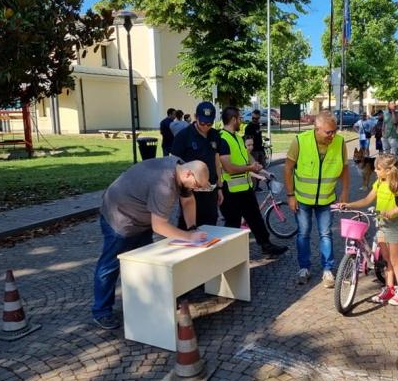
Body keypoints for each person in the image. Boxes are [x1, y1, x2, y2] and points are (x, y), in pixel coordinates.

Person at [92, 158, 210, 330]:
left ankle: (147, 303)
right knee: (110, 266)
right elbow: (159, 225)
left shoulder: (181, 168)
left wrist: (192, 228)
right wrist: (189, 237)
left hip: (141, 218)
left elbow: (188, 201)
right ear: (188, 173)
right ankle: (101, 311)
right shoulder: (164, 186)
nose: (197, 189)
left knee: (147, 266)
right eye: (197, 185)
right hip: (120, 218)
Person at [339, 154, 398, 306]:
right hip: (381, 224)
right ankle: (389, 288)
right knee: (387, 260)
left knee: (395, 260)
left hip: (394, 226)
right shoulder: (379, 183)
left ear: (388, 170)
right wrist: (348, 205)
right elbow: (366, 200)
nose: (375, 171)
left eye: (378, 168)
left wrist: (394, 211)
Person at [284, 110, 350, 287]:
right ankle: (304, 268)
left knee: (326, 234)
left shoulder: (340, 142)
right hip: (303, 199)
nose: (332, 135)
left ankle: (328, 270)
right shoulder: (300, 141)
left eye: (334, 131)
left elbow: (344, 168)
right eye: (329, 132)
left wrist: (344, 193)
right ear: (317, 129)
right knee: (303, 234)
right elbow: (288, 169)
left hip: (327, 199)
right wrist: (290, 195)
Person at [218, 106, 288, 257]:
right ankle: (229, 256)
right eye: (240, 118)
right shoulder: (222, 138)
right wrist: (250, 167)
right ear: (233, 119)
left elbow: (248, 158)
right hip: (230, 191)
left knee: (255, 218)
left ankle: (266, 246)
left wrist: (262, 170)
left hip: (245, 188)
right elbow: (229, 168)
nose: (242, 120)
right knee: (232, 224)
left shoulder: (237, 137)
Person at [171, 101, 225, 227]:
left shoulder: (215, 135)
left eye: (209, 123)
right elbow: (173, 164)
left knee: (211, 221)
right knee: (189, 223)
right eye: (203, 123)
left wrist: (220, 187)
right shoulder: (183, 136)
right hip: (191, 190)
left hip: (210, 189)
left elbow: (217, 161)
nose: (206, 126)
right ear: (196, 117)